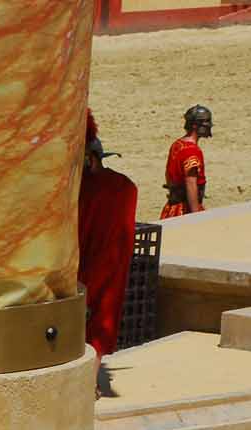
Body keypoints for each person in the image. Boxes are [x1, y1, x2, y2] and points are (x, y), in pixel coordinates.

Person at [78, 111, 138, 374]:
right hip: (103, 267)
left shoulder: (84, 190)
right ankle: (89, 379)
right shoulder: (125, 188)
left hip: (89, 265)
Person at [161, 104, 211, 219]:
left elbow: (168, 176)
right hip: (185, 210)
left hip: (172, 208)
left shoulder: (177, 144)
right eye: (206, 121)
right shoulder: (192, 151)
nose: (209, 125)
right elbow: (191, 184)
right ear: (195, 125)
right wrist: (195, 217)